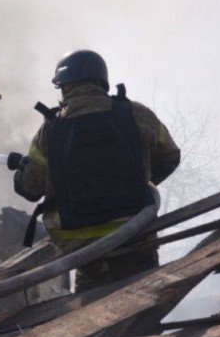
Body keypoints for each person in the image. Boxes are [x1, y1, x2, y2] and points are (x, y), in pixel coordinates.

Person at [13, 50, 181, 292]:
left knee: (93, 313)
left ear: (67, 85)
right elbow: (170, 157)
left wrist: (23, 169)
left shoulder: (50, 131)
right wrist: (137, 181)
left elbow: (30, 188)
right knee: (144, 303)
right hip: (134, 235)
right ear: (101, 81)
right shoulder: (137, 114)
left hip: (82, 247)